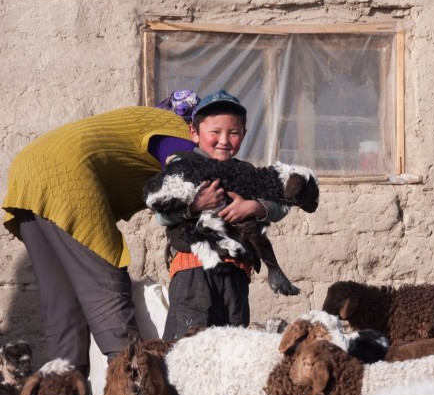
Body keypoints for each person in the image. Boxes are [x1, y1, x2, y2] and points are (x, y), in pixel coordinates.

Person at [0, 90, 202, 377]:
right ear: (194, 126)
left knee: (63, 305)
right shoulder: (175, 130)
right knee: (106, 288)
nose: (221, 140)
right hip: (66, 176)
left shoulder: (138, 120)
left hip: (26, 172)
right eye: (214, 130)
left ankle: (65, 391)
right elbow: (183, 171)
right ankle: (131, 383)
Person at [156, 90, 290, 341]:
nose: (224, 140)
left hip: (235, 277)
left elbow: (280, 206)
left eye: (234, 133)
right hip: (193, 275)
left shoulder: (247, 173)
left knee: (231, 350)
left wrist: (254, 208)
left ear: (244, 135)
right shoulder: (182, 167)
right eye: (214, 132)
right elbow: (162, 217)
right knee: (188, 349)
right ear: (194, 133)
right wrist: (195, 206)